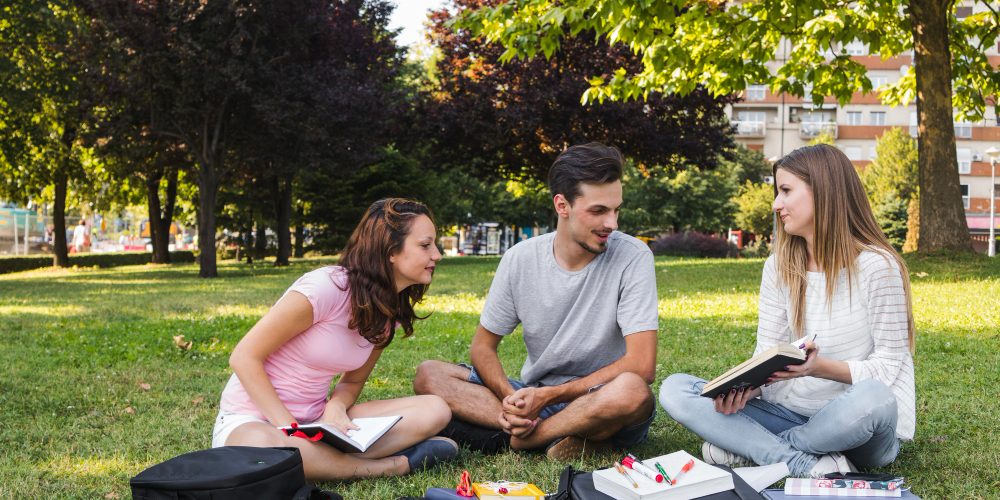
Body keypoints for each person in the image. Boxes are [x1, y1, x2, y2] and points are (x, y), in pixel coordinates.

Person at [660, 144, 916, 477]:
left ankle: (760, 449)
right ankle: (803, 462)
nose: (776, 204)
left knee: (873, 397)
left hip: (857, 423)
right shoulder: (779, 267)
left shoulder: (877, 267)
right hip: (789, 414)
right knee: (676, 389)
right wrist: (746, 387)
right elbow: (768, 352)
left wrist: (818, 368)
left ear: (823, 191)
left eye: (786, 191)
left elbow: (889, 367)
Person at [413, 142, 659, 461]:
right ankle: (556, 433)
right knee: (429, 375)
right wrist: (512, 401)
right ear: (562, 205)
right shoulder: (520, 259)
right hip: (537, 397)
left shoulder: (633, 256)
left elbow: (642, 366)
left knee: (632, 390)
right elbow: (483, 347)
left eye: (616, 210)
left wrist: (550, 396)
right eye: (599, 211)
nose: (612, 223)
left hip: (602, 397)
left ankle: (529, 439)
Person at [213, 198, 457, 481]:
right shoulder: (326, 287)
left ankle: (321, 461)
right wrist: (290, 429)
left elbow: (352, 382)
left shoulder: (387, 312)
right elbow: (244, 357)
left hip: (318, 422)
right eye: (425, 245)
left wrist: (336, 407)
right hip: (255, 421)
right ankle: (391, 465)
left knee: (434, 410)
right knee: (266, 448)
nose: (437, 255)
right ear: (391, 250)